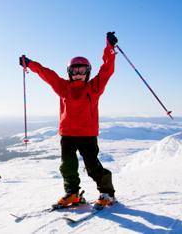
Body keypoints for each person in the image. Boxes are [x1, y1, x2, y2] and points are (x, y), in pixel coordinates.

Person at [19, 32, 118, 208]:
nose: (78, 73)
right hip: (68, 134)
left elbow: (107, 69)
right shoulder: (63, 87)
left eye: (82, 70)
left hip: (87, 134)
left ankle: (107, 193)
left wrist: (109, 48)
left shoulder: (94, 87)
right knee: (68, 166)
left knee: (92, 166)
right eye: (74, 70)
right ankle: (72, 193)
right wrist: (30, 64)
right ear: (69, 72)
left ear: (87, 72)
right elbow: (47, 74)